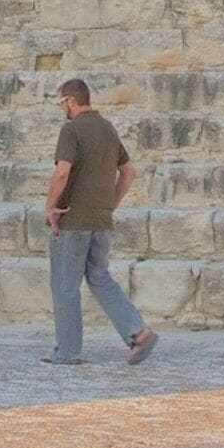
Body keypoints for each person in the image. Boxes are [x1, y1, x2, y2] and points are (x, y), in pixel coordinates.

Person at [44, 78, 155, 366]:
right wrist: (110, 205)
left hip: (73, 219)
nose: (61, 109)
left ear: (70, 101)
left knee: (65, 285)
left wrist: (50, 207)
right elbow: (128, 173)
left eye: (61, 103)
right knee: (100, 278)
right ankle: (138, 332)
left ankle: (68, 351)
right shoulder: (108, 129)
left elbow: (62, 173)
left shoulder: (71, 130)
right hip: (101, 220)